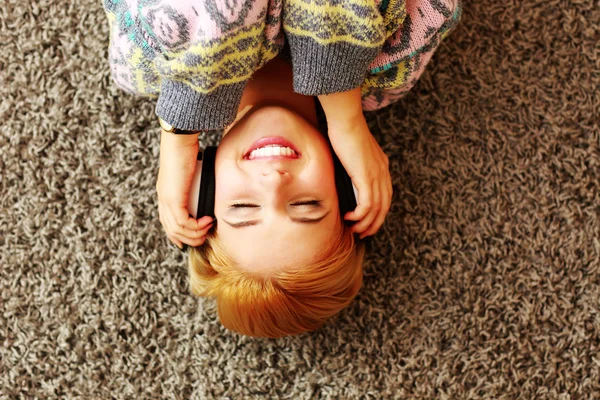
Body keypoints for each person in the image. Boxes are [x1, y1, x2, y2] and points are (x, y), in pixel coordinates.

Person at [104, 0, 461, 337]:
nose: (274, 183)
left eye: (243, 208)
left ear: (202, 189)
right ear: (345, 184)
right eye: (306, 205)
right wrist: (345, 114)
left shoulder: (142, 64)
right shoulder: (396, 58)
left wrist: (181, 129)